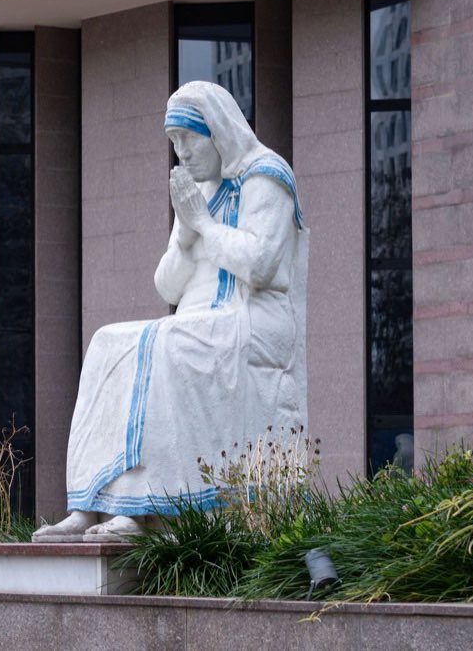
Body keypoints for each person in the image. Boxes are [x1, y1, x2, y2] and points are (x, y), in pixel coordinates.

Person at [34, 80, 309, 540]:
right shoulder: (199, 190)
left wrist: (202, 223)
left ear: (218, 131)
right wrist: (184, 233)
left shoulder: (267, 176)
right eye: (173, 142)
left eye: (188, 138)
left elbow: (261, 266)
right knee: (107, 343)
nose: (180, 152)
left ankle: (146, 508)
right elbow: (167, 285)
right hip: (197, 322)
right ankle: (94, 502)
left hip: (252, 321)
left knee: (166, 343)